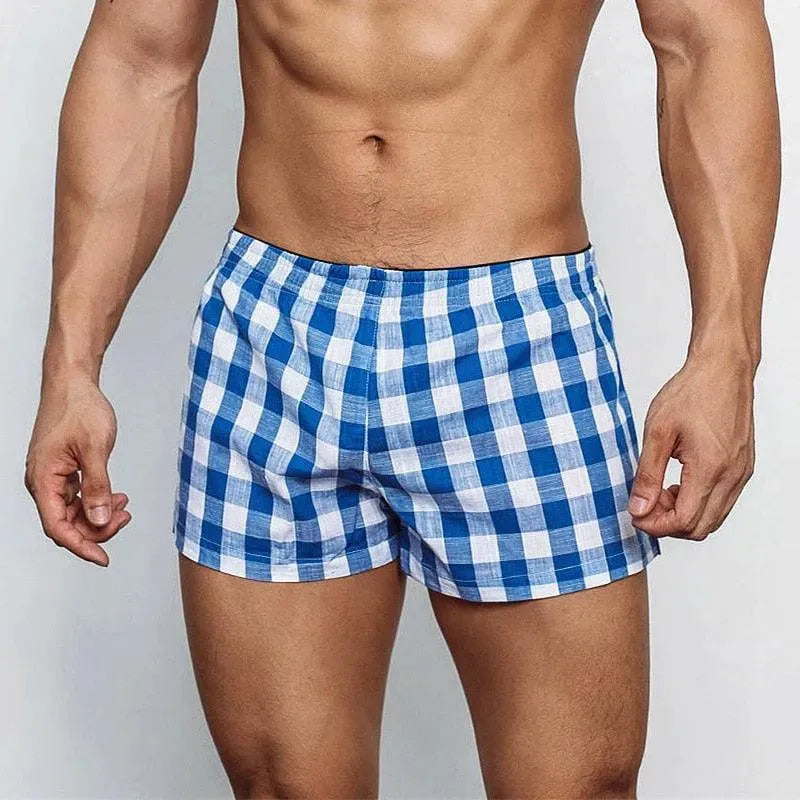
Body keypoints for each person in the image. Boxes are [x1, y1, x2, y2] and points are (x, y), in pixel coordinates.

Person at [24, 1, 779, 797]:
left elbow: (705, 38)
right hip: (274, 322)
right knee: (284, 787)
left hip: (514, 328)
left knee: (579, 786)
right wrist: (71, 366)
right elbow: (142, 62)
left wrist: (727, 353)